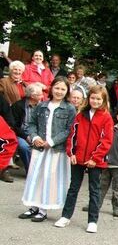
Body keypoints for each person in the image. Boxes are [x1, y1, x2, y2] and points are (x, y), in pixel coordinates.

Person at [54, 85, 113, 233]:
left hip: (95, 161)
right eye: (93, 98)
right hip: (78, 158)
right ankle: (65, 216)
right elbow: (72, 136)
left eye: (98, 98)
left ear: (103, 100)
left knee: (94, 190)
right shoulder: (80, 115)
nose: (95, 101)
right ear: (88, 98)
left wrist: (95, 158)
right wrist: (71, 153)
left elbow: (106, 140)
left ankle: (92, 221)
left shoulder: (106, 117)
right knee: (73, 188)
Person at [19, 77, 76, 222]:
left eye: (63, 89)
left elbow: (69, 130)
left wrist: (51, 141)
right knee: (35, 176)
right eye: (57, 88)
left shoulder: (69, 108)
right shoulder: (42, 105)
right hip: (39, 148)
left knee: (48, 178)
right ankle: (33, 206)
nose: (59, 91)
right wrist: (35, 137)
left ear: (67, 91)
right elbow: (31, 124)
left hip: (55, 149)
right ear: (51, 88)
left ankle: (43, 209)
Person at [8, 83, 45, 174]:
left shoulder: (43, 107)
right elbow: (14, 125)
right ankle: (31, 171)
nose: (42, 96)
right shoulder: (18, 106)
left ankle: (42, 171)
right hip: (21, 134)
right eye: (40, 94)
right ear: (32, 96)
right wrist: (26, 136)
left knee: (45, 146)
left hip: (37, 133)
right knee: (24, 147)